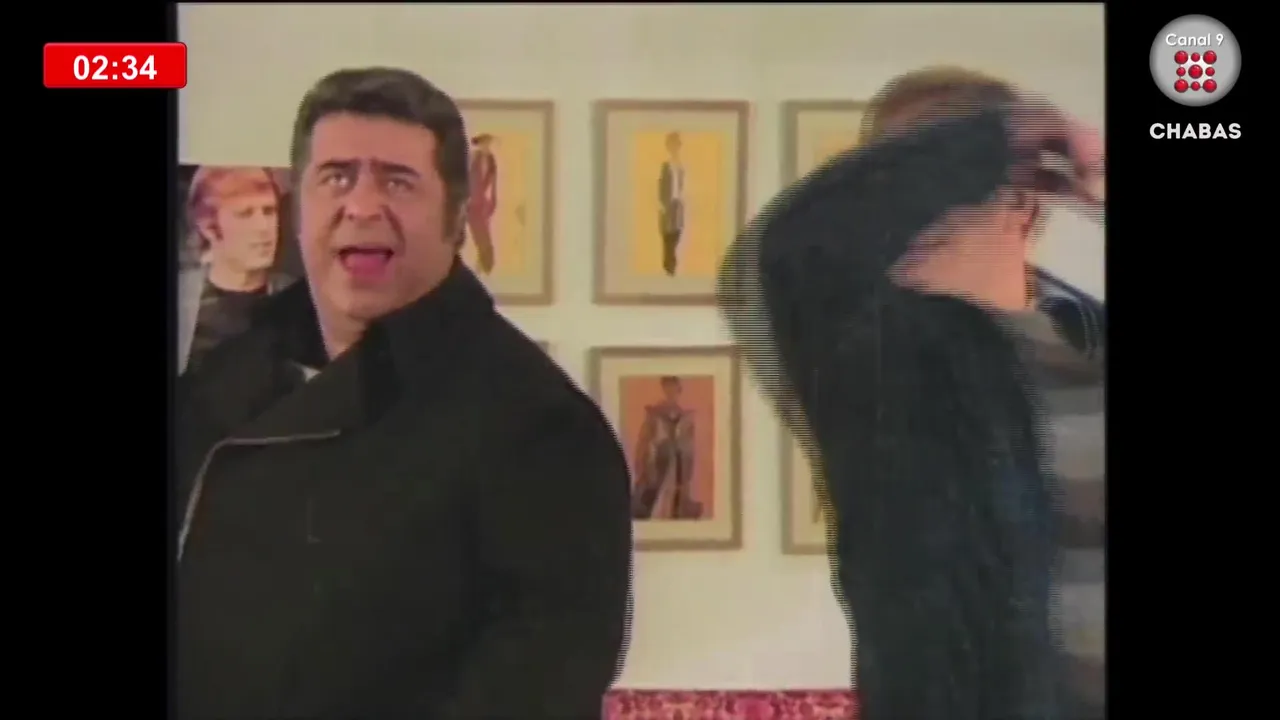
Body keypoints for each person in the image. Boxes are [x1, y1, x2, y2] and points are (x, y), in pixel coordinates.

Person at [174, 67, 634, 720]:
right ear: (299, 210)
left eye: (397, 181)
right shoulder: (219, 381)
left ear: (456, 216)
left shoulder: (539, 427)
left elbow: (537, 688)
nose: (362, 206)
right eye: (337, 177)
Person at [718, 67, 1105, 720]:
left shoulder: (1092, 343)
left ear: (1023, 204)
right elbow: (781, 253)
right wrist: (1028, 137)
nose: (893, 224)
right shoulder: (867, 369)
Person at [178, 166, 296, 374]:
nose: (264, 227)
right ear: (209, 227)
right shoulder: (182, 299)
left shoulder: (300, 299)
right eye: (245, 214)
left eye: (269, 211)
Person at [631, 376, 701, 520]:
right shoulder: (654, 413)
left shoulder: (684, 415)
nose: (671, 392)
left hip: (678, 462)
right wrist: (645, 458)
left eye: (674, 389)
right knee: (653, 494)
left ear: (679, 391)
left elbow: (689, 442)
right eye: (668, 388)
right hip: (659, 459)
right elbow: (645, 438)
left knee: (676, 497)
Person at [466, 133, 498, 274]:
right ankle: (484, 266)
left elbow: (494, 183)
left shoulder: (491, 160)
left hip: (483, 204)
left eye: (488, 143)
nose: (487, 146)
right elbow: (466, 179)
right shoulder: (473, 158)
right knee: (479, 236)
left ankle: (485, 267)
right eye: (484, 143)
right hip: (471, 203)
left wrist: (493, 201)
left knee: (485, 236)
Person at [657, 132, 686, 276]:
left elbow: (683, 186)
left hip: (677, 204)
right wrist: (661, 204)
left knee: (677, 232)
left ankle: (671, 264)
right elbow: (661, 185)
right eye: (672, 145)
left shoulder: (681, 166)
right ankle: (669, 267)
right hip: (667, 205)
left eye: (677, 145)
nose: (675, 149)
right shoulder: (665, 165)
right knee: (667, 235)